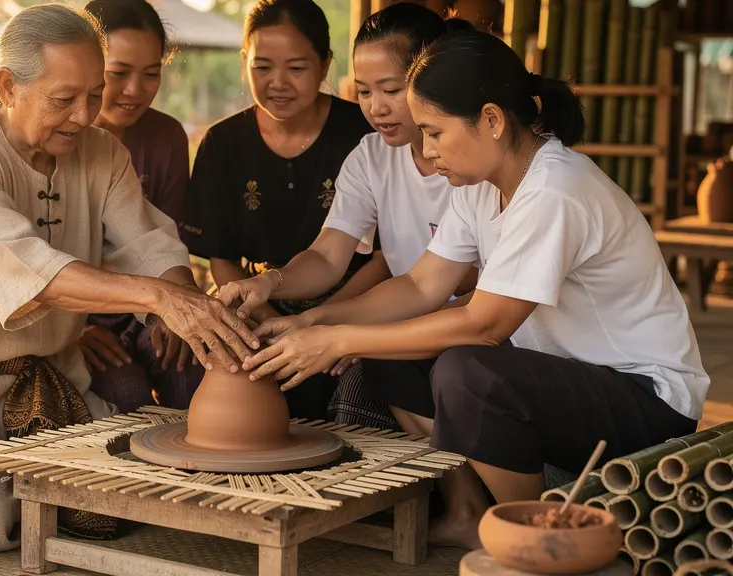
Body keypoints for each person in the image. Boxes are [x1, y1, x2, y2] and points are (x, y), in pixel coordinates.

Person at [241, 30, 708, 549]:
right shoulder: (481, 186)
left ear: (490, 120)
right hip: (568, 380)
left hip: (647, 397)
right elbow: (421, 285)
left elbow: (485, 324)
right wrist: (315, 323)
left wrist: (339, 341)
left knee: (470, 372)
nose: (427, 149)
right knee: (391, 353)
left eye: (435, 132)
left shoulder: (556, 189)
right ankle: (467, 511)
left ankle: (530, 535)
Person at [0, 4, 258, 557]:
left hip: (43, 372)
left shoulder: (103, 152)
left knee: (125, 491)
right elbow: (30, 273)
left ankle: (14, 473)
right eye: (64, 99)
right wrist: (158, 298)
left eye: (94, 94)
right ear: (10, 86)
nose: (85, 115)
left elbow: (148, 243)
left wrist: (183, 298)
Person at [218, 4, 477, 430]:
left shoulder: (473, 162)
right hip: (408, 320)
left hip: (466, 332)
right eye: (364, 91)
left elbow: (476, 295)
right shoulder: (371, 157)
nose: (376, 108)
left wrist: (359, 333)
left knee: (363, 381)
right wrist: (269, 283)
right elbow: (326, 257)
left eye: (391, 90)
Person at [181, 0, 387, 420]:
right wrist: (269, 323)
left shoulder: (365, 135)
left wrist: (320, 322)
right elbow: (222, 260)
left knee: (348, 388)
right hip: (258, 302)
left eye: (296, 68)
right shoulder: (223, 144)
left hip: (360, 300)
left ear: (325, 62)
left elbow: (386, 256)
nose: (278, 83)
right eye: (262, 67)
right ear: (245, 62)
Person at [81, 0, 202, 414]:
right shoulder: (58, 136)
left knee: (192, 367)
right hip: (74, 313)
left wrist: (178, 309)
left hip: (149, 307)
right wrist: (69, 331)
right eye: (118, 73)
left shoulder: (166, 137)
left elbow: (166, 244)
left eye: (151, 74)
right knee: (124, 389)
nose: (135, 91)